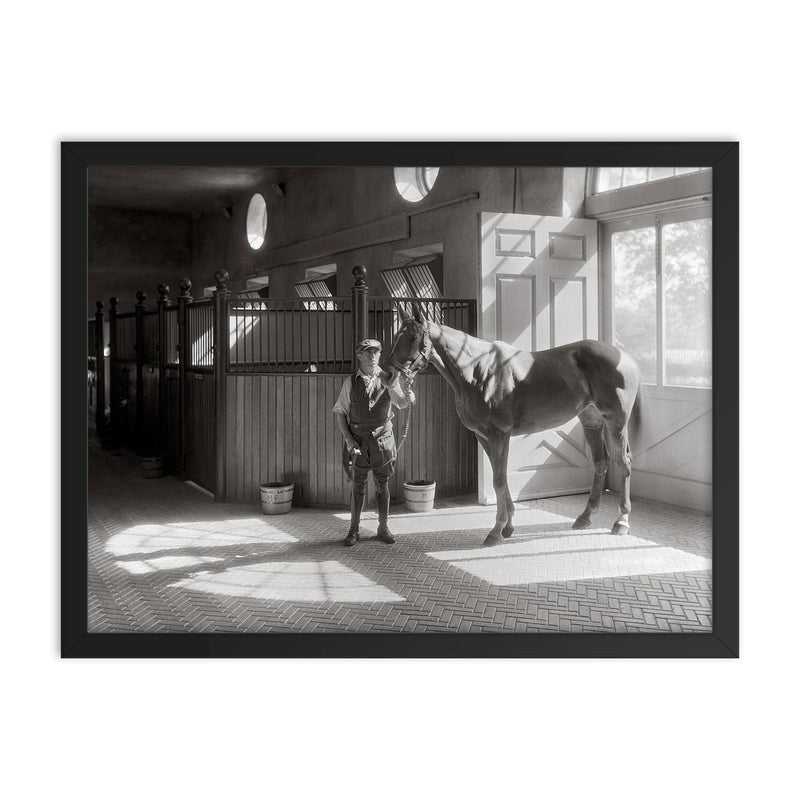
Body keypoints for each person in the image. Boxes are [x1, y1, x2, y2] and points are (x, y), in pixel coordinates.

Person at [332, 338, 414, 546]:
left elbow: (401, 403)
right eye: (367, 352)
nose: (372, 356)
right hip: (358, 443)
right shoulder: (350, 382)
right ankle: (353, 530)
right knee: (358, 487)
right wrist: (349, 439)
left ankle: (383, 527)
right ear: (359, 355)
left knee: (382, 485)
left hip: (383, 444)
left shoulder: (388, 379)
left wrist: (409, 397)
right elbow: (340, 412)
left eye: (376, 352)